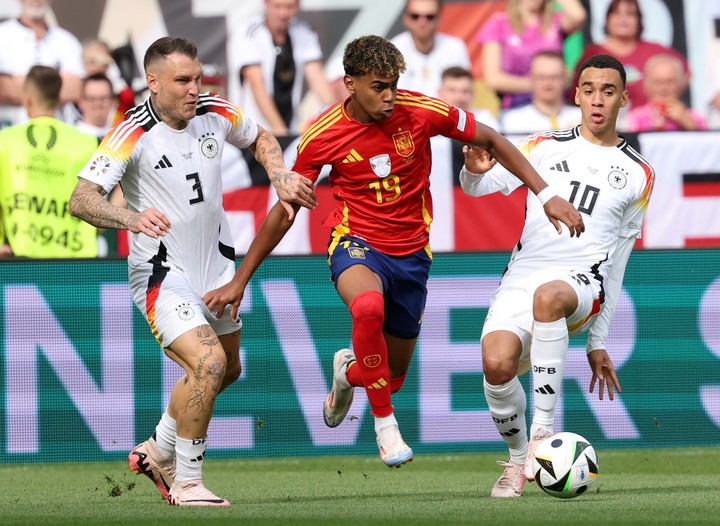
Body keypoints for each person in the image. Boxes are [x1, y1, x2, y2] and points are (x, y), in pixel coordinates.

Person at [201, 35, 584, 469]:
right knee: (367, 309)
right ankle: (385, 427)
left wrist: (547, 194)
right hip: (355, 243)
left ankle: (347, 374)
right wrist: (239, 280)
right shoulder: (322, 135)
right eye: (378, 86)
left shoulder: (422, 111)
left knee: (391, 377)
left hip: (412, 256)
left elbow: (492, 139)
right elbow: (286, 210)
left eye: (393, 85)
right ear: (350, 83)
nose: (388, 96)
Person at [69, 36, 315, 506]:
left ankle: (157, 448)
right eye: (183, 80)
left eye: (198, 77)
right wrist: (130, 217)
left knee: (228, 368)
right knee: (208, 362)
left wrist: (279, 171)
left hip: (215, 267)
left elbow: (261, 137)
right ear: (153, 82)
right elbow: (81, 199)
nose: (193, 88)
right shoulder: (130, 132)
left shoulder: (215, 110)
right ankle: (187, 480)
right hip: (163, 273)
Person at [459, 54, 654, 497]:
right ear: (576, 95)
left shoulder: (640, 174)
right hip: (522, 275)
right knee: (497, 363)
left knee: (549, 296)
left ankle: (543, 433)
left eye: (608, 91)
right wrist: (472, 169)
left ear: (623, 98)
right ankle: (516, 462)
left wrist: (598, 340)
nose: (597, 100)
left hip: (583, 282)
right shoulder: (542, 145)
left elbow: (620, 258)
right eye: (589, 90)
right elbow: (478, 188)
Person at [0, 65, 98, 258]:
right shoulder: (87, 143)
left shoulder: (5, 140)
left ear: (28, 99)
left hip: (19, 261)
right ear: (58, 99)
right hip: (77, 263)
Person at [234, 0, 335, 136]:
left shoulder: (304, 31)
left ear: (298, 5)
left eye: (289, 7)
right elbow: (257, 85)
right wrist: (279, 129)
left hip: (290, 127)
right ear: (266, 3)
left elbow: (318, 80)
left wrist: (338, 116)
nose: (283, 13)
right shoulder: (249, 32)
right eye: (278, 6)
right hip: (253, 131)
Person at [573, 0, 689, 112]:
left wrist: (667, 98)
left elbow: (686, 73)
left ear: (639, 20)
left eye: (630, 14)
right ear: (607, 19)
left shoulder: (655, 50)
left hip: (649, 124)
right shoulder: (593, 53)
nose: (623, 19)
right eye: (617, 13)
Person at [476, 0, 586, 110]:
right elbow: (493, 79)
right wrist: (541, 84)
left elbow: (578, 16)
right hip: (518, 105)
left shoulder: (554, 21)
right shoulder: (499, 24)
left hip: (557, 106)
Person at [0, 0, 84, 129]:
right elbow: (3, 89)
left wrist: (16, 82)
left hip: (56, 136)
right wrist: (56, 83)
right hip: (10, 137)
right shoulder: (3, 35)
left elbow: (75, 89)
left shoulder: (67, 41)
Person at [390, 0, 471, 97]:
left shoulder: (455, 47)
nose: (422, 22)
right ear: (405, 19)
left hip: (445, 111)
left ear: (439, 19)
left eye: (430, 17)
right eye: (415, 16)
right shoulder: (393, 49)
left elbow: (462, 94)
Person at [500, 51, 581, 134]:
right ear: (531, 78)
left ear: (564, 78)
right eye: (541, 77)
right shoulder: (513, 121)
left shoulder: (582, 118)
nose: (548, 82)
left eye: (554, 77)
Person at [625, 54, 707, 132]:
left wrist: (688, 122)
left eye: (669, 82)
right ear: (647, 85)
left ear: (680, 84)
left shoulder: (696, 118)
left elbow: (708, 144)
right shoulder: (636, 118)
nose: (663, 88)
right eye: (657, 82)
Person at [75, 73, 116, 141]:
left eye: (103, 99)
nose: (98, 104)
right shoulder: (71, 138)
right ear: (80, 102)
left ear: (113, 101)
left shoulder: (121, 139)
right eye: (91, 99)